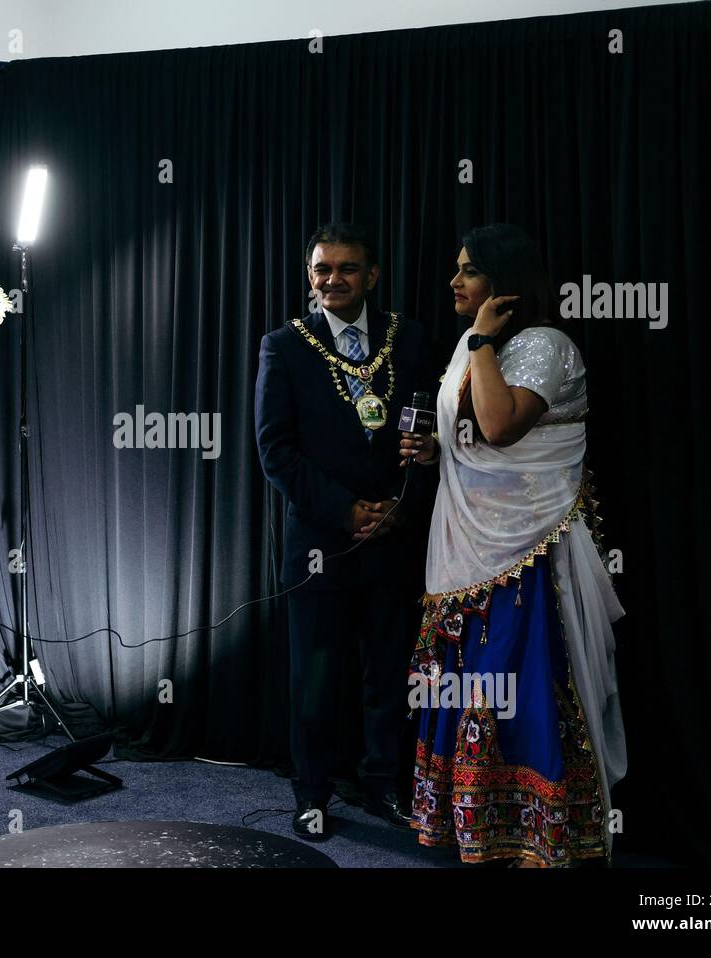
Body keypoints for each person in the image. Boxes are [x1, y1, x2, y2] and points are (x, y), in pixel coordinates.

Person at [398, 223, 626, 867]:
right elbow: (468, 439)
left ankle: (538, 833)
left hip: (529, 550)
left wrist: (481, 343)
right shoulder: (475, 348)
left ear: (504, 283)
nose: (454, 281)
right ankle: (473, 823)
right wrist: (432, 449)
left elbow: (499, 428)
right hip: (466, 545)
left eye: (468, 270)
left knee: (518, 683)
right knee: (467, 682)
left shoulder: (544, 346)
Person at [255, 221, 433, 841]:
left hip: (395, 535)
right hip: (319, 547)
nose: (333, 280)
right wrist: (345, 509)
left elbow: (425, 429)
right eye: (322, 270)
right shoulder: (284, 345)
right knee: (315, 677)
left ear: (372, 275)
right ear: (310, 276)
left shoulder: (406, 337)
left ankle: (385, 784)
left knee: (389, 672)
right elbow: (275, 451)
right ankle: (312, 791)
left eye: (347, 269)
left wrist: (398, 504)